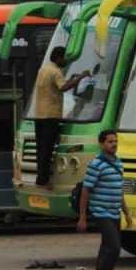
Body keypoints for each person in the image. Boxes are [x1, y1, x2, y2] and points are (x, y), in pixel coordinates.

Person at [77, 129, 132, 270]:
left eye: (115, 141)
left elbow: (118, 190)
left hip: (114, 212)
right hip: (101, 212)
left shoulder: (118, 163)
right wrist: (82, 217)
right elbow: (85, 190)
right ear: (101, 144)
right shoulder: (96, 164)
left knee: (106, 249)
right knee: (114, 247)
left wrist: (127, 213)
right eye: (110, 141)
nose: (114, 144)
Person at [33, 46, 88, 188]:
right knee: (47, 149)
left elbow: (56, 85)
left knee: (41, 149)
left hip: (39, 114)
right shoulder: (56, 71)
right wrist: (81, 77)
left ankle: (40, 178)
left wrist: (72, 79)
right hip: (51, 115)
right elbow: (63, 87)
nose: (66, 61)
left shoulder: (43, 69)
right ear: (58, 58)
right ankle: (44, 180)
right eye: (65, 58)